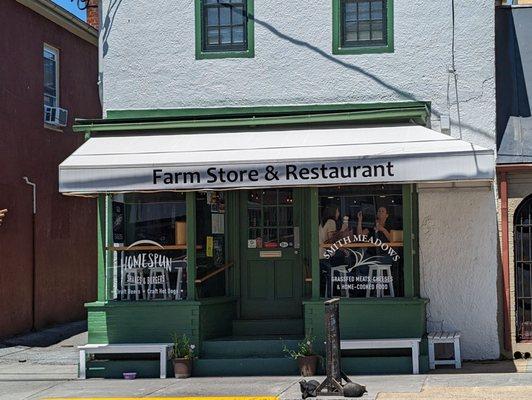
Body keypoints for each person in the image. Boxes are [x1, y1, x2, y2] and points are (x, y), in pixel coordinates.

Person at [319, 205, 348, 297]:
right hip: (327, 257)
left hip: (320, 256)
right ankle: (343, 292)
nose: (338, 213)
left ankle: (332, 293)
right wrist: (343, 229)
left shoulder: (322, 223)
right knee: (347, 261)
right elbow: (331, 240)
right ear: (333, 212)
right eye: (337, 211)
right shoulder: (331, 222)